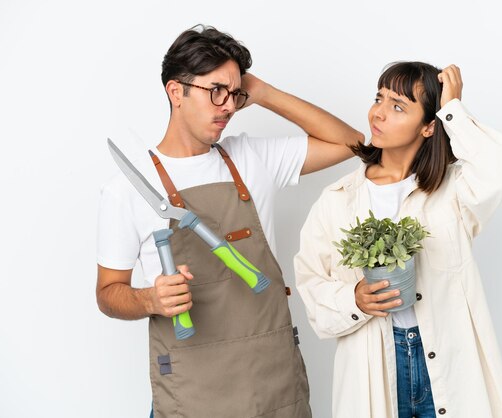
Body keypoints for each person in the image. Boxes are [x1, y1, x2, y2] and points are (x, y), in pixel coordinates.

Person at [96, 25, 363, 418]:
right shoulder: (126, 190)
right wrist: (148, 299)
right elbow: (108, 293)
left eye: (235, 94)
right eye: (215, 90)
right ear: (176, 92)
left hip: (273, 383)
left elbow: (353, 142)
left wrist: (265, 93)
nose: (228, 107)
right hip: (192, 392)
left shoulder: (252, 159)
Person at [294, 61, 502, 418]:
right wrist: (355, 299)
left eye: (397, 106)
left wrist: (452, 110)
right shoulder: (337, 199)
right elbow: (311, 285)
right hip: (376, 361)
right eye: (379, 99)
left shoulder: (453, 191)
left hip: (445, 357)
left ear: (429, 126)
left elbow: (499, 174)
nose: (378, 114)